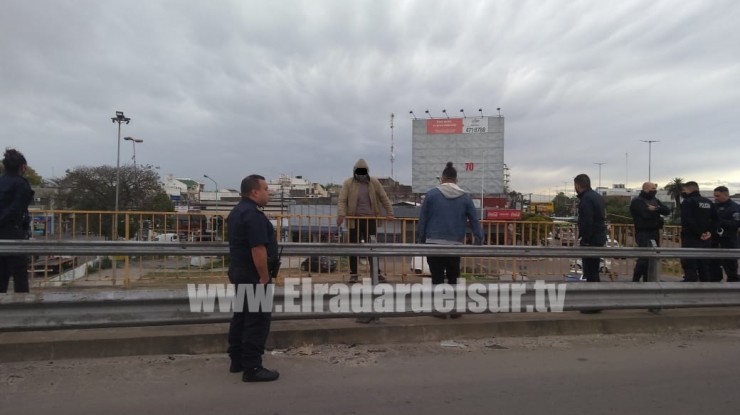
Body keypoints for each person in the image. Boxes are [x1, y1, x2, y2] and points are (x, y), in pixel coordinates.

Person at [226, 174, 279, 382]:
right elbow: (258, 249)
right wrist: (264, 277)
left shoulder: (237, 211)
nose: (269, 192)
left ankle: (237, 360)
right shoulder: (254, 216)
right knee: (256, 321)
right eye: (266, 189)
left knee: (241, 317)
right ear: (255, 192)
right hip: (255, 277)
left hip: (240, 273)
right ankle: (253, 368)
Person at [417, 162, 483, 319]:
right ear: (456, 180)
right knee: (454, 276)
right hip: (455, 245)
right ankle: (455, 310)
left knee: (437, 277)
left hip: (433, 243)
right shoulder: (466, 197)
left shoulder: (431, 195)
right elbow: (474, 220)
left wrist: (420, 241)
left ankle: (439, 310)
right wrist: (478, 240)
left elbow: (422, 220)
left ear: (442, 179)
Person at [336, 159, 394, 283]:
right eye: (359, 172)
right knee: (353, 248)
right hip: (353, 220)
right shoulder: (348, 183)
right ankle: (354, 274)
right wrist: (341, 215)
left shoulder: (374, 182)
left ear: (367, 172)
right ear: (354, 172)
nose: (361, 175)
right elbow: (341, 200)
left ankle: (376, 273)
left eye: (363, 172)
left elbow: (384, 197)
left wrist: (390, 212)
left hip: (370, 219)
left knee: (372, 248)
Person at [0, 148, 33, 293]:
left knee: (1, 273)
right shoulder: (21, 184)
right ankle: (21, 309)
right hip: (14, 233)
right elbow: (17, 209)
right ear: (22, 167)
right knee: (20, 275)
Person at [574, 174, 606, 313]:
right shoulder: (596, 196)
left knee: (590, 272)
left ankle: (593, 305)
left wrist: (585, 240)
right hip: (598, 238)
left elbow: (587, 221)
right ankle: (596, 303)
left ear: (578, 185)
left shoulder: (586, 199)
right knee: (594, 271)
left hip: (591, 240)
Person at [629, 182, 671, 282]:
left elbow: (667, 211)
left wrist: (656, 209)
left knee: (652, 258)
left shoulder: (654, 200)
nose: (655, 190)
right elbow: (645, 215)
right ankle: (635, 280)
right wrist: (657, 212)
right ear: (646, 189)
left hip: (655, 232)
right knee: (643, 258)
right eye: (653, 189)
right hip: (643, 232)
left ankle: (648, 280)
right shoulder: (637, 201)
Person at [680, 181, 716, 282]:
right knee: (704, 266)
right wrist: (709, 232)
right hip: (706, 239)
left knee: (689, 264)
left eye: (684, 190)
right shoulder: (708, 202)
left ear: (688, 189)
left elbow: (687, 220)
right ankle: (705, 289)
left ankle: (690, 291)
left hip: (691, 238)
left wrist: (699, 233)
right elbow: (716, 219)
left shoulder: (688, 202)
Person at [709, 186, 739, 282]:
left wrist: (720, 221)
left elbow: (736, 224)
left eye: (718, 196)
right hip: (714, 241)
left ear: (726, 194)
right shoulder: (714, 206)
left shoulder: (735, 208)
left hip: (728, 241)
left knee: (731, 269)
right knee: (713, 268)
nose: (715, 198)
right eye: (714, 196)